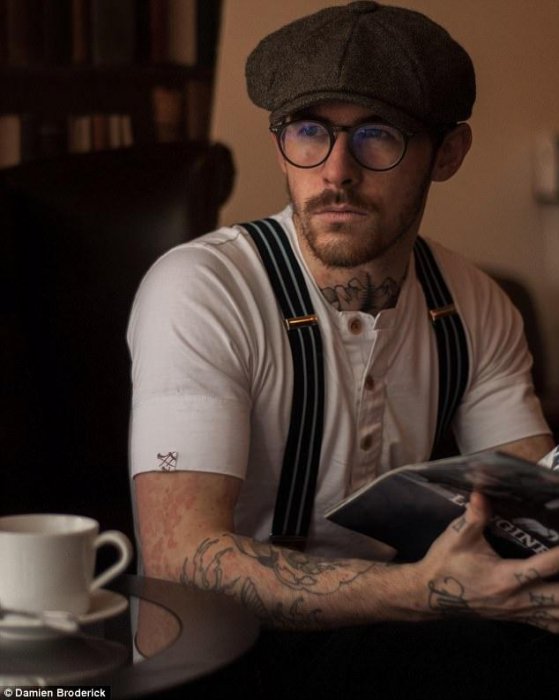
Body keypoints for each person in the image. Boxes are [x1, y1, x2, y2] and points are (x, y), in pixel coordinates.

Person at [128, 2, 558, 696]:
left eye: (376, 136)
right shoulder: (202, 289)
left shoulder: (475, 305)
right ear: (281, 146)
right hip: (220, 664)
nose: (336, 172)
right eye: (309, 132)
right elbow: (181, 561)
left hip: (397, 647)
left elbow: (535, 511)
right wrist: (421, 590)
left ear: (447, 153)